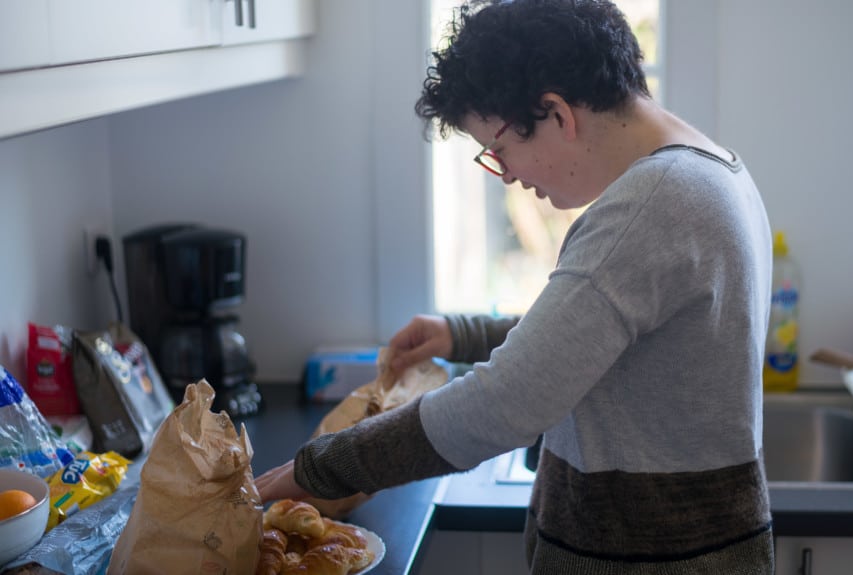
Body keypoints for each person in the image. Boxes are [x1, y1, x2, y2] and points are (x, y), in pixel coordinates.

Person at [255, 0, 775, 572]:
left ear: (555, 111)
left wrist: (318, 470)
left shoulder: (654, 205)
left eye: (499, 149)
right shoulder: (713, 170)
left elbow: (506, 403)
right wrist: (462, 336)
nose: (507, 176)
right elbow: (611, 335)